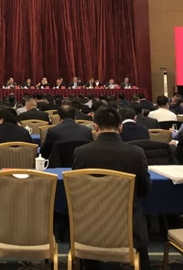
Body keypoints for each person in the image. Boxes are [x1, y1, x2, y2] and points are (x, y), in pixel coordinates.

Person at [73, 106, 151, 270]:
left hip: (89, 226)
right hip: (129, 228)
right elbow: (144, 190)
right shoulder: (136, 153)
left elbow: (76, 192)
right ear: (120, 127)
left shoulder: (81, 153)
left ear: (95, 127)